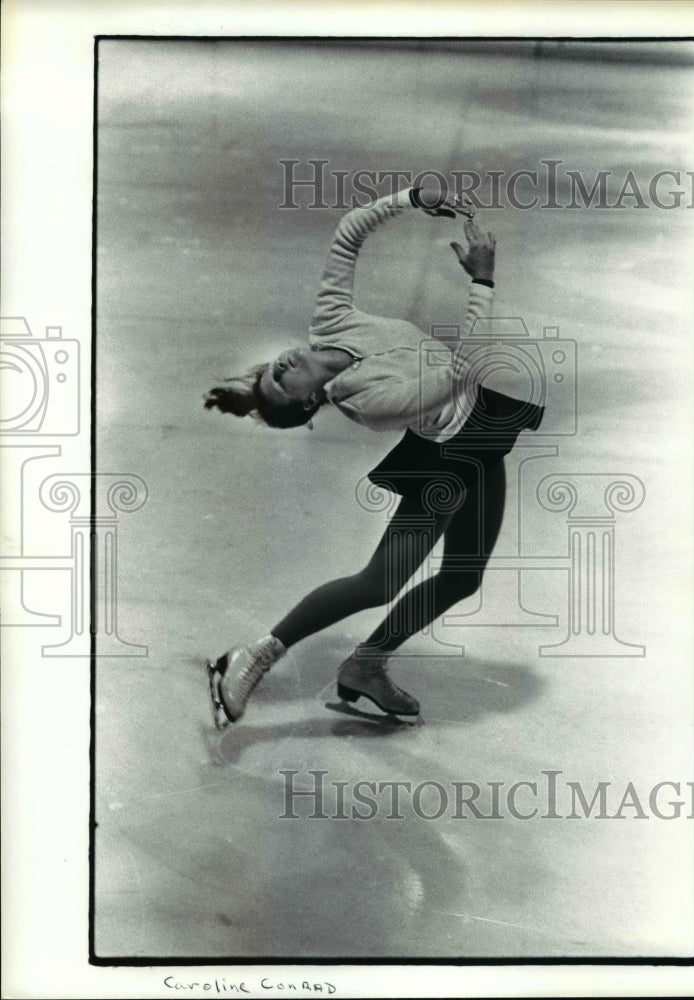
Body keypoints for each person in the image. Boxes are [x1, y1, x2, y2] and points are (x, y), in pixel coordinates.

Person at [203, 186, 544, 728]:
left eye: (273, 365)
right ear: (310, 399)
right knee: (379, 582)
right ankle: (255, 656)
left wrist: (410, 199)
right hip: (447, 460)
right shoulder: (367, 403)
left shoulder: (331, 323)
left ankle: (366, 665)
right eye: (284, 379)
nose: (285, 361)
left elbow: (348, 234)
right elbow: (458, 374)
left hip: (480, 435)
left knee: (461, 577)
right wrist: (482, 281)